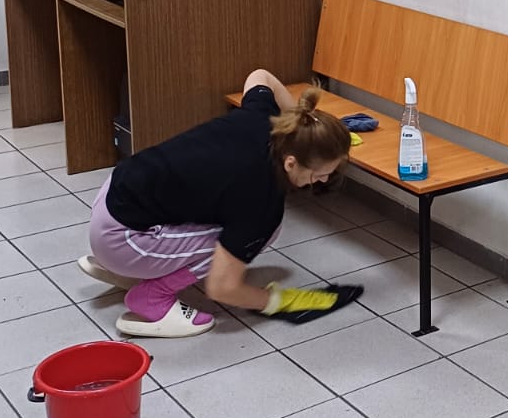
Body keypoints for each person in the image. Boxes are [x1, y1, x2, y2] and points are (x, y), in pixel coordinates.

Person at [81, 70, 358, 338]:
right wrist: (280, 301)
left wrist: (298, 122)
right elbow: (222, 288)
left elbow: (260, 76)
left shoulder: (263, 117)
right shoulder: (262, 201)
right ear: (291, 163)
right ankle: (152, 296)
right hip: (122, 240)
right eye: (319, 173)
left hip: (110, 196)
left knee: (238, 224)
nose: (323, 179)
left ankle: (139, 264)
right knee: (259, 235)